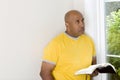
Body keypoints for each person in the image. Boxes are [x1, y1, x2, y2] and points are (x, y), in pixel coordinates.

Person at [40, 10, 97, 80]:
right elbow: (44, 73)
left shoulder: (89, 41)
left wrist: (95, 71)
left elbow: (93, 65)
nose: (82, 25)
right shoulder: (55, 44)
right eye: (77, 21)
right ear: (67, 25)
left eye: (82, 20)